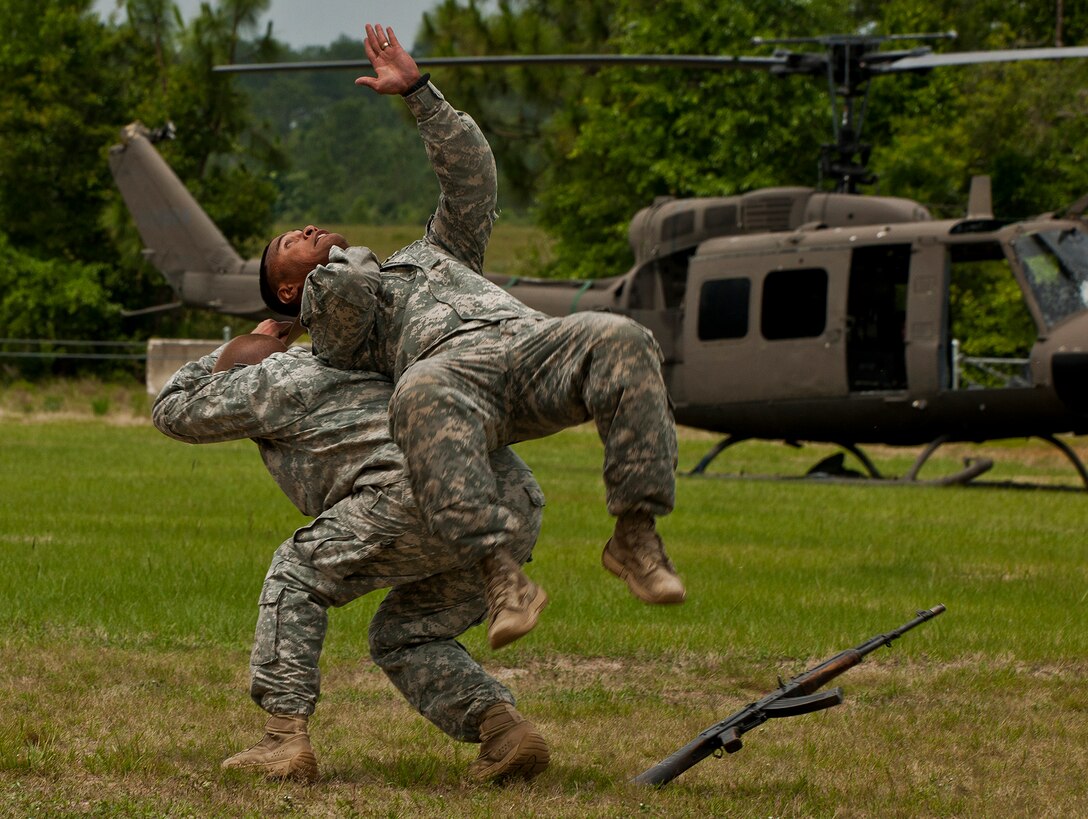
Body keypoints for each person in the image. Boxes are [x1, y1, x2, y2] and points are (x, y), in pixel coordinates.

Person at [259, 23, 686, 649]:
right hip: (457, 388)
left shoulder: (434, 252)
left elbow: (472, 182)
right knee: (420, 388)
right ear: (290, 290)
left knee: (621, 336)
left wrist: (420, 95)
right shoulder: (333, 328)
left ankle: (636, 533)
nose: (307, 226)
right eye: (290, 243)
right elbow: (344, 306)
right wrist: (330, 275)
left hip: (527, 350)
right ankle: (500, 575)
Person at [152, 330, 549, 784]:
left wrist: (235, 350)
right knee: (406, 634)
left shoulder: (273, 376)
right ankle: (502, 730)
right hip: (512, 501)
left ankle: (283, 738)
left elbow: (174, 409)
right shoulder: (364, 362)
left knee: (296, 575)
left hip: (416, 492)